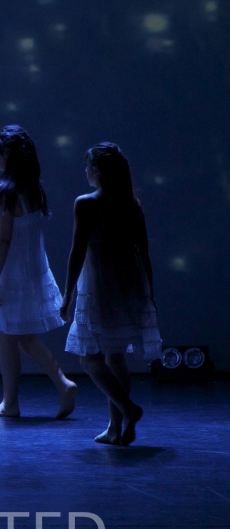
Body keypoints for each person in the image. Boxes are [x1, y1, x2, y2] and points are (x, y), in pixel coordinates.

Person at [60, 142, 160, 446]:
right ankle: (116, 428)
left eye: (87, 166)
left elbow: (77, 252)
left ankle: (128, 410)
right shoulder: (131, 204)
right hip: (129, 284)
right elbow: (144, 252)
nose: (85, 172)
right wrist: (149, 294)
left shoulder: (87, 203)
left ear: (97, 170)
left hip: (102, 285)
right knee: (115, 356)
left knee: (89, 358)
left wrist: (68, 295)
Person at [0, 125, 77, 419]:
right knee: (20, 337)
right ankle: (42, 390)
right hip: (28, 270)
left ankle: (21, 399)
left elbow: (4, 240)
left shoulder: (6, 192)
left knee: (9, 337)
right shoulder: (30, 188)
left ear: (9, 154)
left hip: (10, 272)